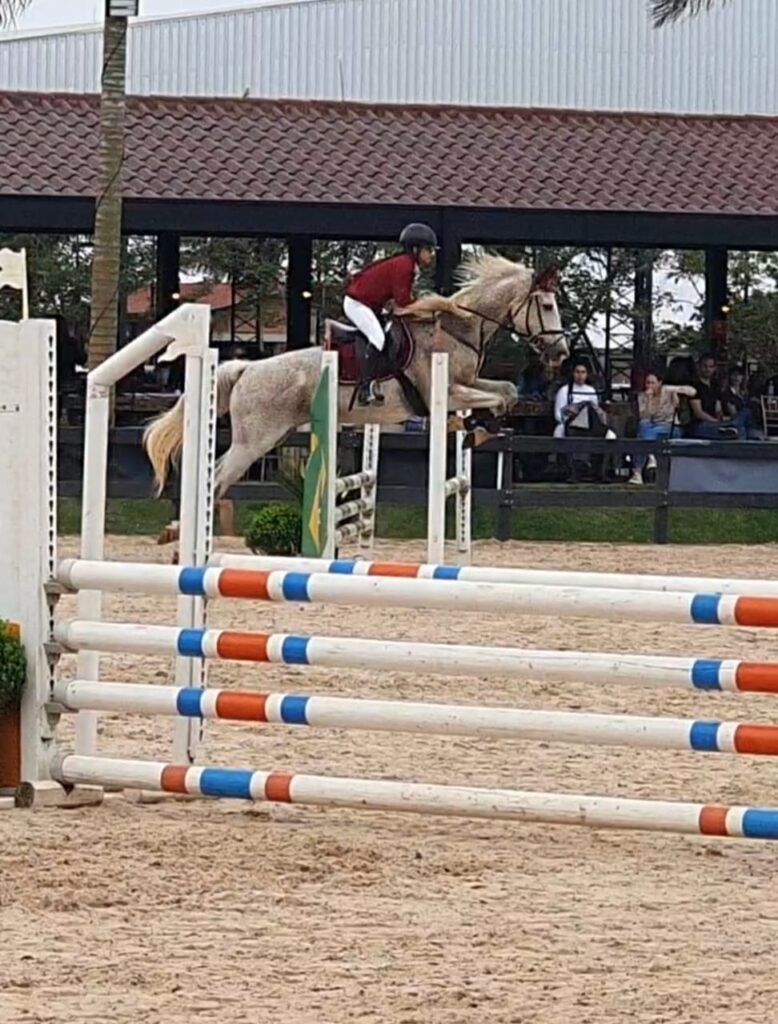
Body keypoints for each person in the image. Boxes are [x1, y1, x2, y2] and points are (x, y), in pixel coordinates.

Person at [343, 223, 438, 405]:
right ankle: (365, 388)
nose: (431, 255)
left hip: (372, 305)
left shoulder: (407, 264)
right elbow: (403, 302)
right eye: (428, 250)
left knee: (387, 333)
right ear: (416, 249)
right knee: (378, 338)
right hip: (358, 303)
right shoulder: (405, 266)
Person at [628, 369, 696, 485]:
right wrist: (649, 399)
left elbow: (692, 392)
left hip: (669, 426)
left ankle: (639, 470)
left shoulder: (667, 392)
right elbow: (646, 416)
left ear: (659, 383)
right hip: (650, 426)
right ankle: (649, 458)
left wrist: (672, 388)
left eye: (652, 383)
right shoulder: (642, 396)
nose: (649, 385)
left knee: (645, 433)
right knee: (643, 427)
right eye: (647, 382)